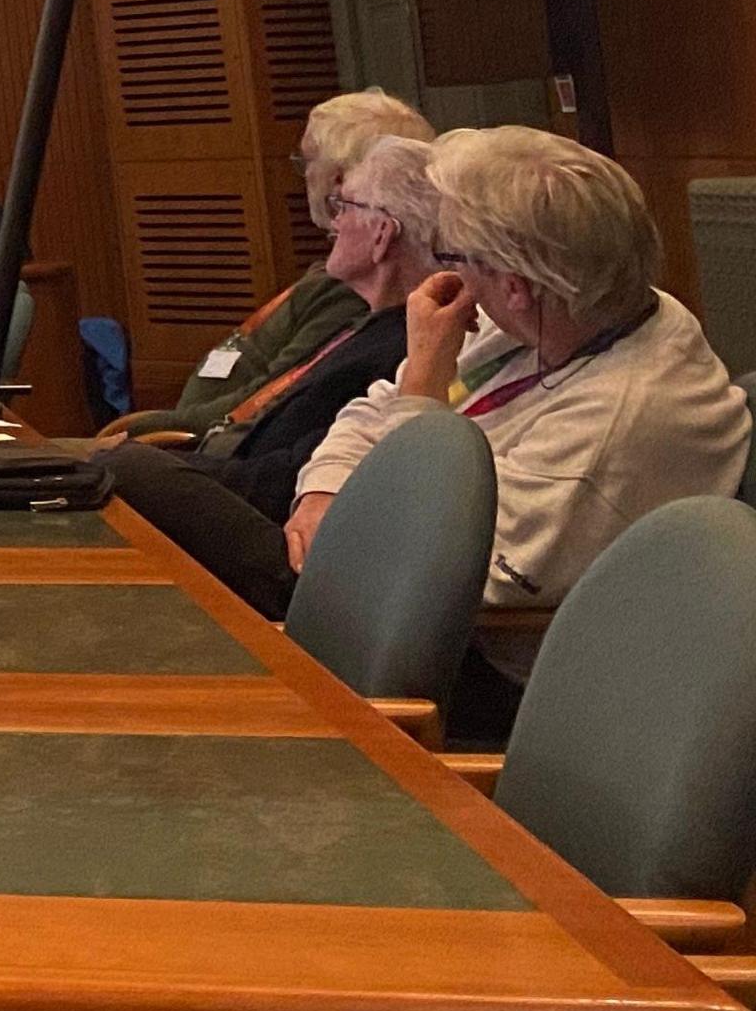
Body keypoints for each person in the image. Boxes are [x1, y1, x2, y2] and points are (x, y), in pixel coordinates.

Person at [286, 129, 748, 656]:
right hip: (381, 555)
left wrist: (422, 391)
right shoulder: (569, 312)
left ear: (514, 286)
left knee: (178, 501)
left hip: (462, 661)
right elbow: (369, 409)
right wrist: (322, 490)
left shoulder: (604, 435)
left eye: (453, 255)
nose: (447, 274)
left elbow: (413, 578)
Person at [93, 137, 439, 617]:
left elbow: (289, 475)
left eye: (346, 206)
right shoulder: (364, 323)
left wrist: (177, 466)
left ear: (382, 234)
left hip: (295, 551)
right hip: (249, 482)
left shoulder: (401, 345)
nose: (333, 220)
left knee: (124, 471)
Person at [96, 87, 435, 442]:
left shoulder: (353, 291)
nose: (304, 176)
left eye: (307, 162)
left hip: (204, 447)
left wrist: (144, 433)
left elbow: (273, 399)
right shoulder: (337, 276)